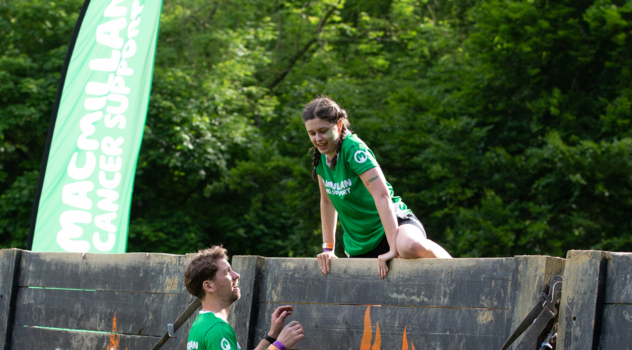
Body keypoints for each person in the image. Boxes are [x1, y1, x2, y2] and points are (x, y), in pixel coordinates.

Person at [304, 96, 453, 279]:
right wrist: (328, 248)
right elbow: (327, 202)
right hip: (361, 244)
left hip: (392, 227)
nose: (318, 138)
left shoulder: (354, 149)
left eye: (323, 131)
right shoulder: (321, 159)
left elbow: (382, 195)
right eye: (312, 133)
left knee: (410, 246)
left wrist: (393, 248)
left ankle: (463, 274)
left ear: (340, 125)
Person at [184, 246, 305, 350]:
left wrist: (271, 336)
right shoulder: (217, 329)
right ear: (209, 286)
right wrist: (279, 346)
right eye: (227, 272)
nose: (236, 275)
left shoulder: (201, 324)